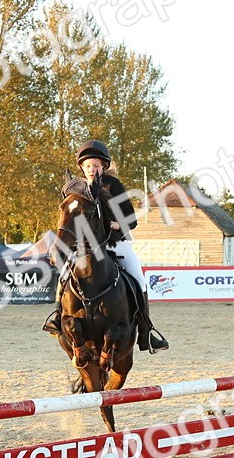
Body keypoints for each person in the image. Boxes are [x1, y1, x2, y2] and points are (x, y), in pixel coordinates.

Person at [43, 139, 169, 353]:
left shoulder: (114, 186)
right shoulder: (76, 188)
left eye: (97, 165)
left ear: (104, 166)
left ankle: (146, 331)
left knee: (139, 278)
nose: (93, 169)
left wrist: (117, 223)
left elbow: (132, 220)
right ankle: (57, 315)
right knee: (64, 273)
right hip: (85, 248)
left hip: (116, 243)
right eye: (88, 166)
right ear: (82, 168)